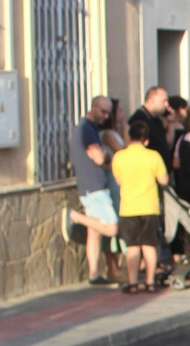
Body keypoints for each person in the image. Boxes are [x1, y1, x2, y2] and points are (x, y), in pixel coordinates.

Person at [62, 95, 121, 287]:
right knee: (112, 227)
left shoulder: (87, 128)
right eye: (102, 111)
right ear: (93, 107)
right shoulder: (87, 129)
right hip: (94, 186)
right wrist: (106, 156)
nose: (105, 116)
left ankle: (94, 273)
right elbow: (97, 157)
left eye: (107, 112)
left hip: (90, 185)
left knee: (95, 232)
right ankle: (74, 217)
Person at [110, 118, 168, 294]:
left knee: (133, 247)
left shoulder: (119, 156)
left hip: (129, 207)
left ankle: (133, 282)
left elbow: (118, 180)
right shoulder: (154, 156)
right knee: (150, 246)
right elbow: (163, 180)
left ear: (129, 137)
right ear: (146, 139)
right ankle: (150, 282)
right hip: (150, 206)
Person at [129, 87, 173, 171]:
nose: (166, 104)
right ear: (152, 100)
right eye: (163, 101)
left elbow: (166, 143)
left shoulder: (156, 119)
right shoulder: (139, 119)